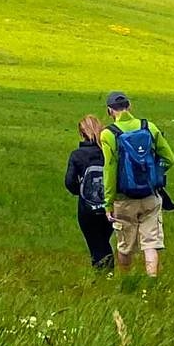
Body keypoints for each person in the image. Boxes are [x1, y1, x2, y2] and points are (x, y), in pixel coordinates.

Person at [101, 92, 174, 278]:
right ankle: (152, 280)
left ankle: (126, 280)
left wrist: (108, 202)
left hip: (123, 199)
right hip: (150, 196)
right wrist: (154, 176)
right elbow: (169, 158)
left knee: (125, 246)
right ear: (130, 106)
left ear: (110, 111)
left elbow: (109, 171)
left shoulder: (108, 134)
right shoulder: (148, 127)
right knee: (150, 244)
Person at [65, 115, 113, 270]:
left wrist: (82, 192)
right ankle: (106, 272)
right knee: (104, 240)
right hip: (110, 205)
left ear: (82, 133)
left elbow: (70, 182)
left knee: (95, 243)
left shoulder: (77, 155)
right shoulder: (109, 152)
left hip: (87, 208)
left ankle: (103, 273)